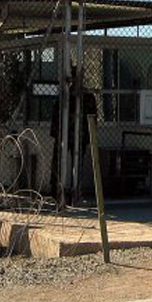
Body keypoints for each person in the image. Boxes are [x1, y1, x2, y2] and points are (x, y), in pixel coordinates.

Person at [49, 67, 97, 206]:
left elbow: (92, 118)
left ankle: (75, 192)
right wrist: (57, 133)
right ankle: (57, 192)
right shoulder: (65, 95)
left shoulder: (87, 97)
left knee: (77, 165)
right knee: (59, 163)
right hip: (65, 134)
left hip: (79, 134)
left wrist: (89, 136)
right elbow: (56, 115)